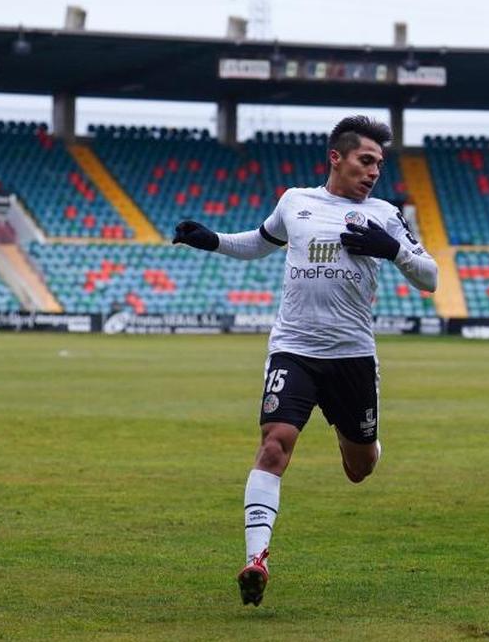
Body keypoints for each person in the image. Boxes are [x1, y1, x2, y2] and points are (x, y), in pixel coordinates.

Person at [172, 115, 438, 605]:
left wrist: (392, 248)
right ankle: (256, 559)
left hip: (352, 356)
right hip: (293, 348)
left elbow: (431, 277)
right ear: (336, 157)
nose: (374, 171)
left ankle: (363, 441)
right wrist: (212, 240)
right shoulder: (296, 201)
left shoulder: (384, 213)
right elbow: (260, 242)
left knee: (359, 466)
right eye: (366, 160)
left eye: (379, 163)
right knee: (275, 445)